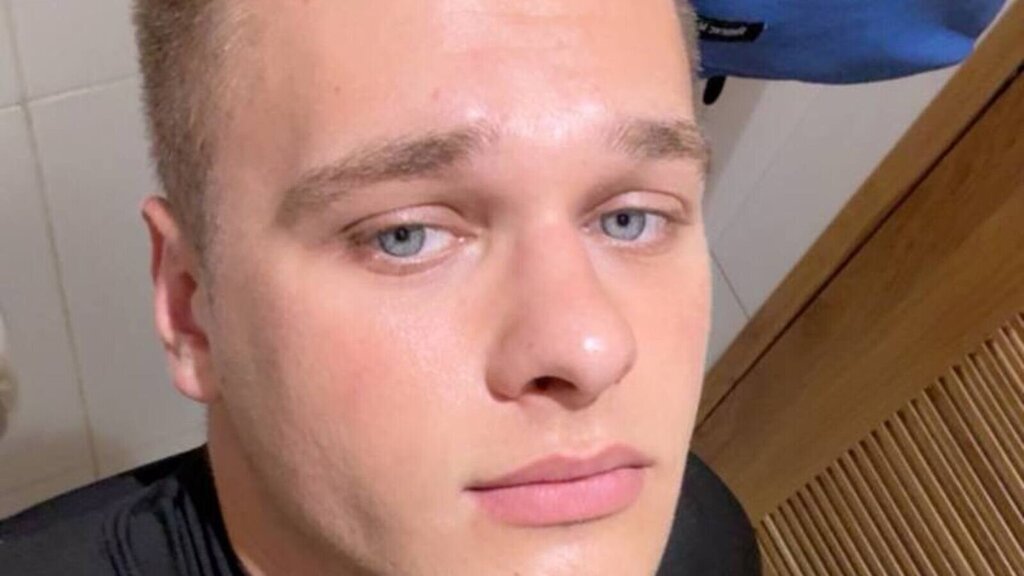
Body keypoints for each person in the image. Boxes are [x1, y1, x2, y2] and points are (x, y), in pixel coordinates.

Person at [0, 0, 758, 573]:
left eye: (630, 219)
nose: (591, 349)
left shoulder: (704, 536)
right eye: (406, 235)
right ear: (191, 309)